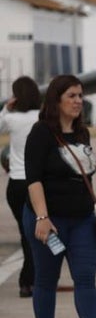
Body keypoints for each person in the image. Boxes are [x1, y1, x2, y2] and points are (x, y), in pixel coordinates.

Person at [23, 74, 96, 318]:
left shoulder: (82, 134)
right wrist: (42, 216)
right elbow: (34, 179)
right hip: (48, 222)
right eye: (72, 96)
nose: (78, 101)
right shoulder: (40, 133)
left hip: (81, 222)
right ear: (57, 100)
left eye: (80, 95)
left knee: (86, 279)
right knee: (46, 280)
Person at [2, 76, 41, 298]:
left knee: (25, 234)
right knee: (36, 234)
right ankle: (31, 280)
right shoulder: (42, 118)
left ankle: (28, 280)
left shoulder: (13, 120)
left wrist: (6, 109)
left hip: (16, 184)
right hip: (37, 183)